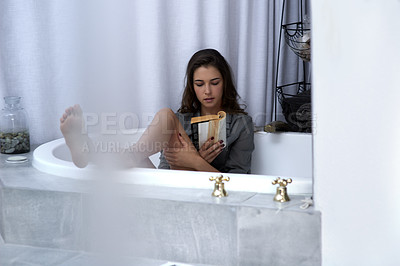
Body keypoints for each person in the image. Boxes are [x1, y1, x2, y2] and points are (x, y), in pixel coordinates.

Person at [60, 49, 254, 173]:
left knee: (160, 124)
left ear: (225, 83)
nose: (207, 91)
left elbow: (238, 186)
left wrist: (195, 162)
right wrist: (193, 161)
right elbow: (163, 173)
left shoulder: (241, 125)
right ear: (192, 87)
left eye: (215, 83)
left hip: (211, 194)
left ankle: (90, 152)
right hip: (170, 187)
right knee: (165, 117)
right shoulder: (181, 119)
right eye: (199, 84)